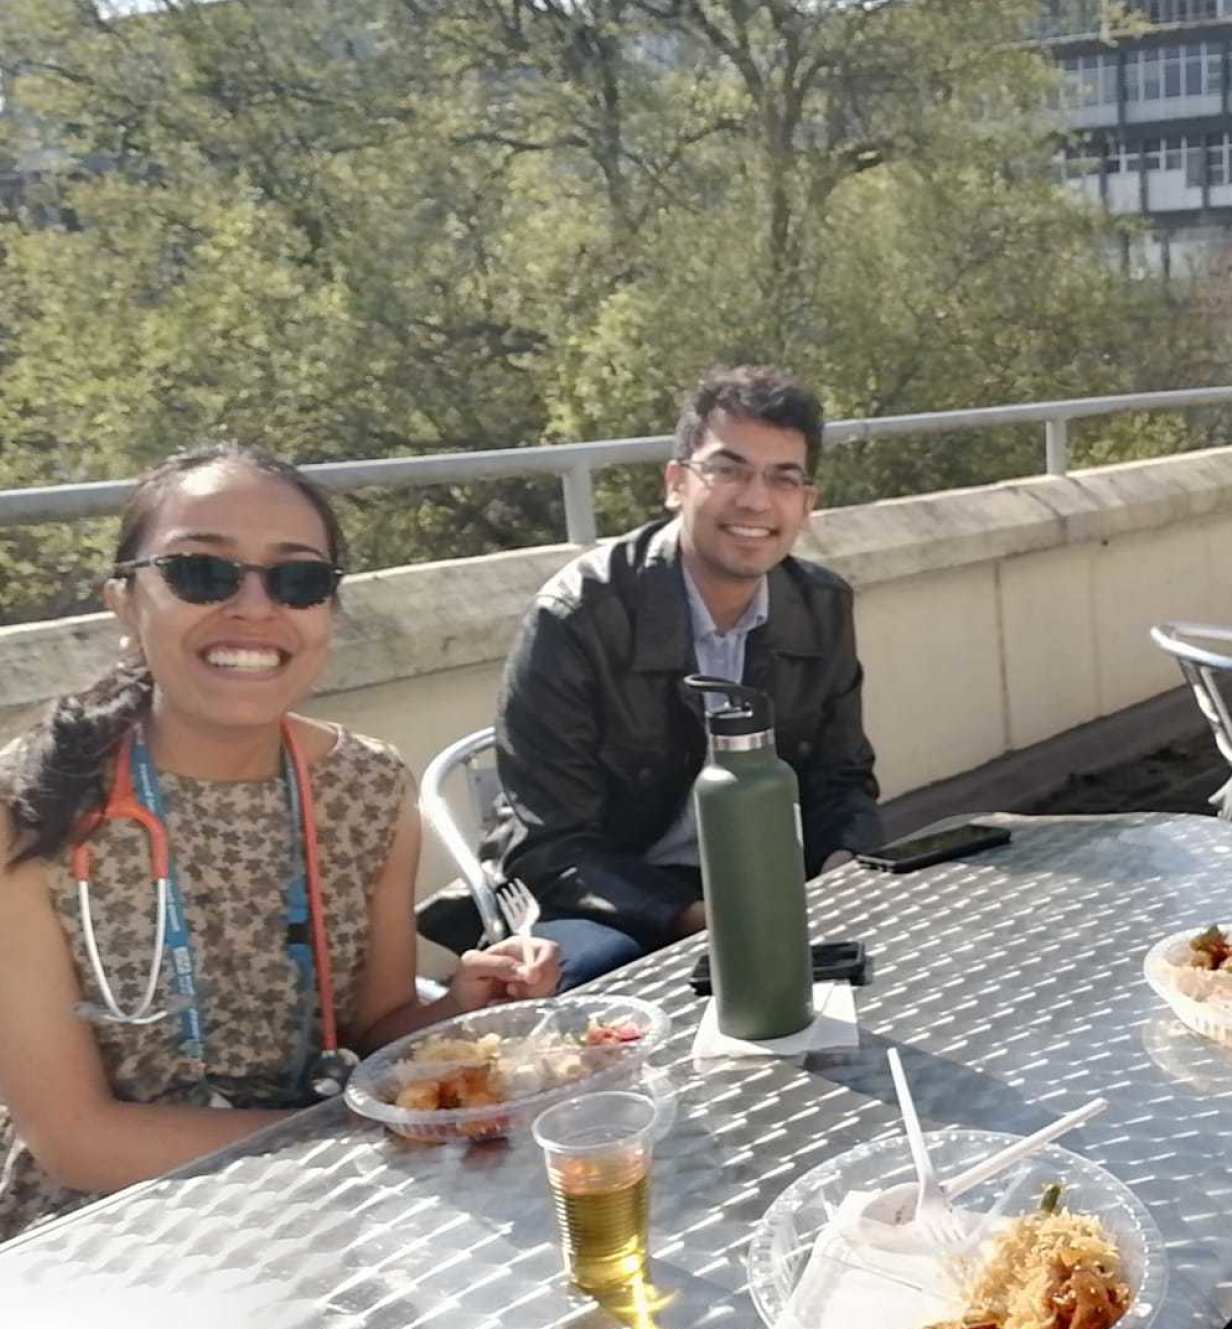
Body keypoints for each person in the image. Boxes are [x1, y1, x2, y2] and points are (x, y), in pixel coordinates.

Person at [0, 444, 560, 1243]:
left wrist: (461, 1007)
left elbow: (373, 1027)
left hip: (337, 1202)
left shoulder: (366, 788)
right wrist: (356, 1134)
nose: (255, 609)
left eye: (297, 580)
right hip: (105, 1232)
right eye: (201, 572)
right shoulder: (28, 807)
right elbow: (75, 1140)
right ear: (124, 602)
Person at [487, 366, 883, 988]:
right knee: (594, 973)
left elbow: (842, 779)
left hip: (764, 887)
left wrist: (843, 870)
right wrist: (693, 917)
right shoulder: (580, 615)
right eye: (728, 470)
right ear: (676, 483)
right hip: (608, 898)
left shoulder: (820, 605)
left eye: (784, 479)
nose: (756, 501)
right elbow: (550, 844)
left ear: (808, 504)